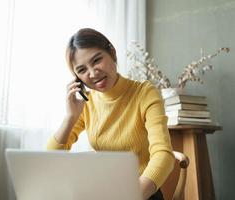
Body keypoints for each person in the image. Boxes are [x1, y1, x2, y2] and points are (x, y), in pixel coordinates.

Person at [47, 28, 175, 200]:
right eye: (82, 70)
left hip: (141, 192)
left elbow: (163, 154)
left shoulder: (145, 93)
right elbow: (51, 159)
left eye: (97, 60)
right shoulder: (87, 103)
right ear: (77, 78)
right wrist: (70, 117)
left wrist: (133, 195)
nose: (93, 74)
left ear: (112, 53)